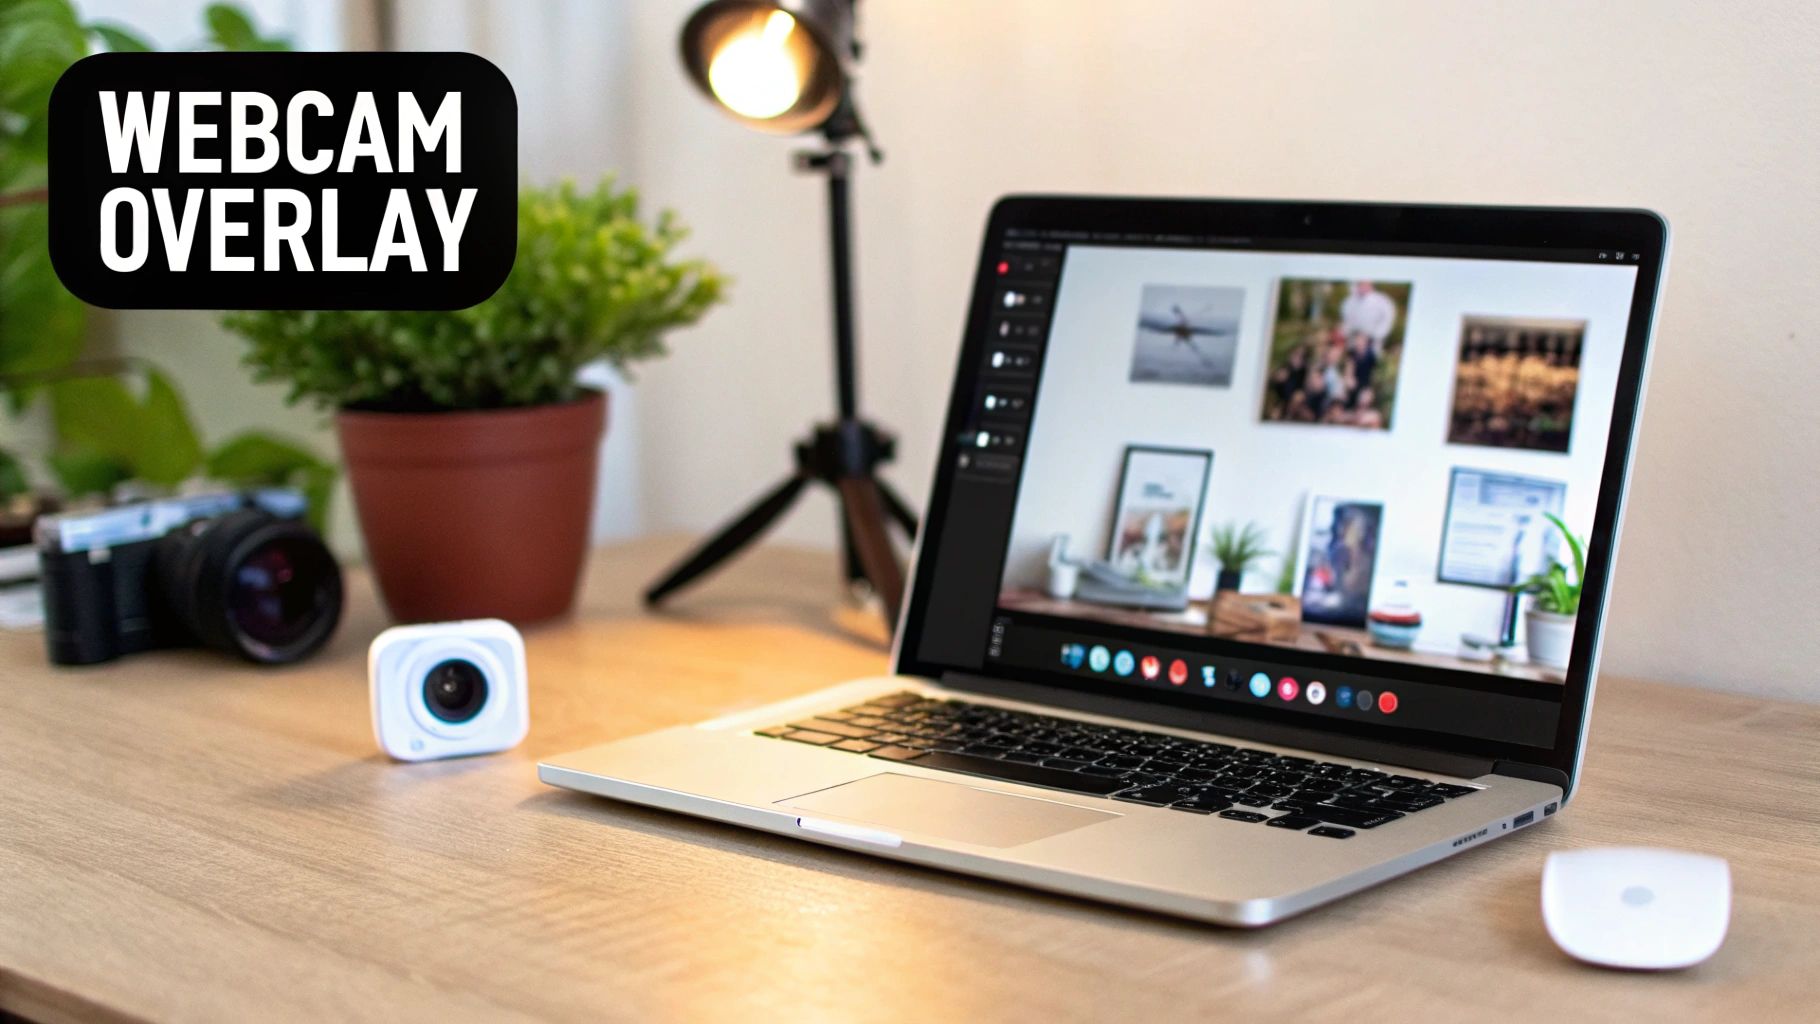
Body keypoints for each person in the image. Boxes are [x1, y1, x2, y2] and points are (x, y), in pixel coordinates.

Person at [1340, 280, 1397, 348]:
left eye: (1365, 285)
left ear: (1371, 286)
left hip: (1373, 338)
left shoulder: (1382, 300)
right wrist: (1347, 332)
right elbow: (1346, 319)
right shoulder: (1350, 301)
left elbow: (1387, 318)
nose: (1362, 287)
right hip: (1354, 337)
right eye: (1360, 285)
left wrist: (1376, 335)